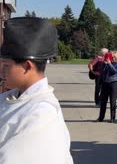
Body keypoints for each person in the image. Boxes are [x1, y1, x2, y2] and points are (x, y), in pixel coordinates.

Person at [0, 17, 73, 163]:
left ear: (27, 66)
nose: (1, 72)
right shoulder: (12, 97)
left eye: (6, 66)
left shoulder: (41, 114)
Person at [97, 51, 117, 122]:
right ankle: (101, 117)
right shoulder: (107, 63)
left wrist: (109, 64)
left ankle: (112, 118)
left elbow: (115, 71)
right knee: (103, 101)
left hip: (114, 83)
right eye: (110, 56)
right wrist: (104, 64)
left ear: (115, 57)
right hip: (105, 83)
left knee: (113, 101)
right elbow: (102, 71)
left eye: (112, 56)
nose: (111, 58)